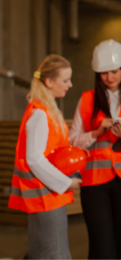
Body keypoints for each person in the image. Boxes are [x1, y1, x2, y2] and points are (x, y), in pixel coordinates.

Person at [69, 39, 121, 259]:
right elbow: (72, 141)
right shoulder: (87, 100)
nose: (109, 77)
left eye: (114, 71)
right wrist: (95, 133)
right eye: (104, 73)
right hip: (94, 182)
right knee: (102, 245)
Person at [8, 54, 81, 259]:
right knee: (54, 253)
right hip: (46, 196)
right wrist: (66, 182)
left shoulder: (44, 109)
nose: (70, 84)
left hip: (45, 194)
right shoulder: (40, 114)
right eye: (65, 80)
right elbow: (34, 158)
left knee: (39, 252)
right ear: (49, 82)